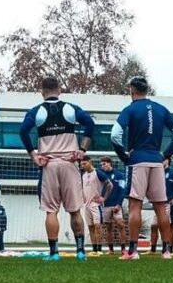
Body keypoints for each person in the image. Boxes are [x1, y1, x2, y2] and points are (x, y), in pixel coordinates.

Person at [20, 77, 96, 262]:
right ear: (60, 90)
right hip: (70, 164)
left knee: (51, 211)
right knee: (75, 210)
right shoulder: (71, 108)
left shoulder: (36, 111)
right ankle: (80, 252)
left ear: (42, 91)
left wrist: (33, 154)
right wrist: (82, 150)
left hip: (49, 165)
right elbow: (90, 124)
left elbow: (22, 131)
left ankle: (54, 253)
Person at [111, 76, 173, 261]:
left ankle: (133, 251)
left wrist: (123, 156)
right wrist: (165, 155)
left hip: (137, 161)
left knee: (135, 204)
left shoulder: (130, 109)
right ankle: (167, 251)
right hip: (156, 162)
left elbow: (115, 135)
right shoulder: (161, 109)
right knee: (161, 207)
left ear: (132, 90)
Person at [79, 157, 114, 255]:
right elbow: (83, 188)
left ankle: (99, 249)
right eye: (82, 164)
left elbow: (110, 185)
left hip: (96, 205)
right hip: (86, 205)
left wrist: (104, 198)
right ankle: (94, 249)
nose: (83, 166)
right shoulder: (84, 175)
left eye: (84, 164)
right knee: (90, 227)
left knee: (98, 226)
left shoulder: (98, 173)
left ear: (90, 162)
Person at [98, 157, 127, 255]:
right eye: (101, 164)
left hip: (116, 205)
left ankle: (123, 249)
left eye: (104, 164)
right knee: (108, 227)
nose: (102, 166)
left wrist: (119, 204)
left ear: (110, 163)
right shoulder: (101, 175)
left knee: (121, 225)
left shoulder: (120, 175)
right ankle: (111, 250)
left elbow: (122, 190)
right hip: (105, 205)